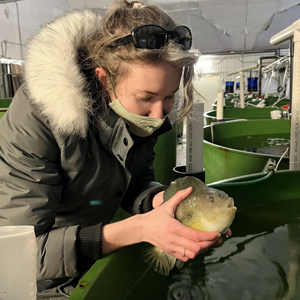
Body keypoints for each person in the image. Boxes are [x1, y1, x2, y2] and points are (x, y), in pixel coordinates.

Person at [0, 1, 231, 299]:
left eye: (170, 96)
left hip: (94, 252)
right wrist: (136, 230)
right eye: (145, 97)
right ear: (104, 78)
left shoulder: (139, 116)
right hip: (36, 282)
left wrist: (161, 201)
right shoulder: (35, 119)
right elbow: (16, 254)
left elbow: (134, 181)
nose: (159, 115)